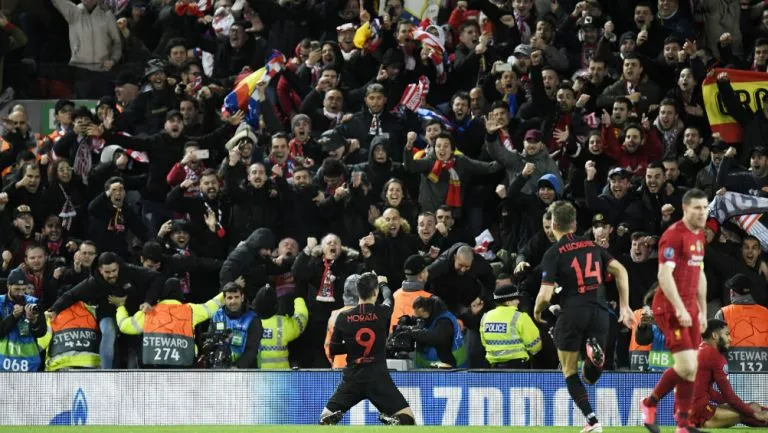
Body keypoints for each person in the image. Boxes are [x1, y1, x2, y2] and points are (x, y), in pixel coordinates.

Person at [534, 200, 634, 433]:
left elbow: (546, 295)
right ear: (575, 224)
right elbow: (620, 270)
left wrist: (537, 311)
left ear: (553, 224)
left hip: (572, 312)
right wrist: (625, 306)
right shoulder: (592, 246)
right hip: (599, 312)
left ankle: (592, 420)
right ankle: (594, 360)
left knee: (569, 372)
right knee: (590, 378)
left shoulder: (553, 252)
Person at [641, 188, 710, 433]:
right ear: (685, 209)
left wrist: (701, 310)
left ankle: (682, 423)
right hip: (669, 307)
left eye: (705, 207)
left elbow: (699, 273)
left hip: (690, 307)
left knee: (692, 366)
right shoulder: (673, 236)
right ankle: (649, 404)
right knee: (687, 364)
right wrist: (680, 307)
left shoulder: (699, 236)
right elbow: (664, 275)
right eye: (697, 208)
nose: (702, 212)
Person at [320, 272, 416, 425]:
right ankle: (395, 421)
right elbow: (389, 298)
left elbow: (333, 350)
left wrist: (353, 345)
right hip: (378, 377)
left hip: (353, 377)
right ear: (375, 292)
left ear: (358, 292)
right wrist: (383, 284)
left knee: (324, 416)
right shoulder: (382, 313)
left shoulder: (343, 317)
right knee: (408, 419)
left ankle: (328, 419)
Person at [112, 278, 224, 368]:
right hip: (184, 366)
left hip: (152, 366)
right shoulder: (190, 310)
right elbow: (212, 306)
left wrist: (121, 307)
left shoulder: (149, 311)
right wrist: (226, 292)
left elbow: (124, 326)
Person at [689, 319, 768, 428]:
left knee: (750, 407)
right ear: (715, 335)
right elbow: (729, 396)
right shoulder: (715, 356)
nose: (730, 339)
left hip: (686, 413)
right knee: (750, 411)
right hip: (700, 415)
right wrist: (754, 413)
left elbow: (706, 390)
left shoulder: (697, 351)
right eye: (727, 334)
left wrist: (740, 405)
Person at [480, 284, 541, 368]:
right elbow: (535, 345)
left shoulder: (486, 317)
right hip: (517, 367)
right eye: (515, 299)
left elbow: (484, 342)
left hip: (493, 367)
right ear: (507, 302)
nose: (518, 302)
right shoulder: (521, 317)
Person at [0, 267, 46, 372]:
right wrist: (13, 317)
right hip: (2, 363)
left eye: (24, 289)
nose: (21, 293)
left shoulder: (34, 303)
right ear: (8, 286)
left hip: (29, 363)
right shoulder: (0, 303)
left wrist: (34, 320)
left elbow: (41, 332)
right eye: (17, 289)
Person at [209, 282, 262, 369]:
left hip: (245, 370)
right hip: (220, 369)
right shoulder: (217, 316)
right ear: (224, 300)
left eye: (236, 297)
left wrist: (237, 366)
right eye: (229, 298)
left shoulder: (252, 318)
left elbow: (252, 349)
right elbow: (211, 341)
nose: (233, 301)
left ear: (242, 298)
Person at [254, 284, 308, 369]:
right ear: (276, 305)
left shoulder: (250, 322)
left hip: (254, 376)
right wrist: (298, 299)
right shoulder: (282, 323)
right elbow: (301, 319)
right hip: (281, 376)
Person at [411, 295, 468, 368]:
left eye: (420, 317)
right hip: (438, 366)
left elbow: (436, 337)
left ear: (426, 311)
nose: (419, 320)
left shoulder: (444, 321)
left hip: (451, 367)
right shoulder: (433, 315)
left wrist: (414, 333)